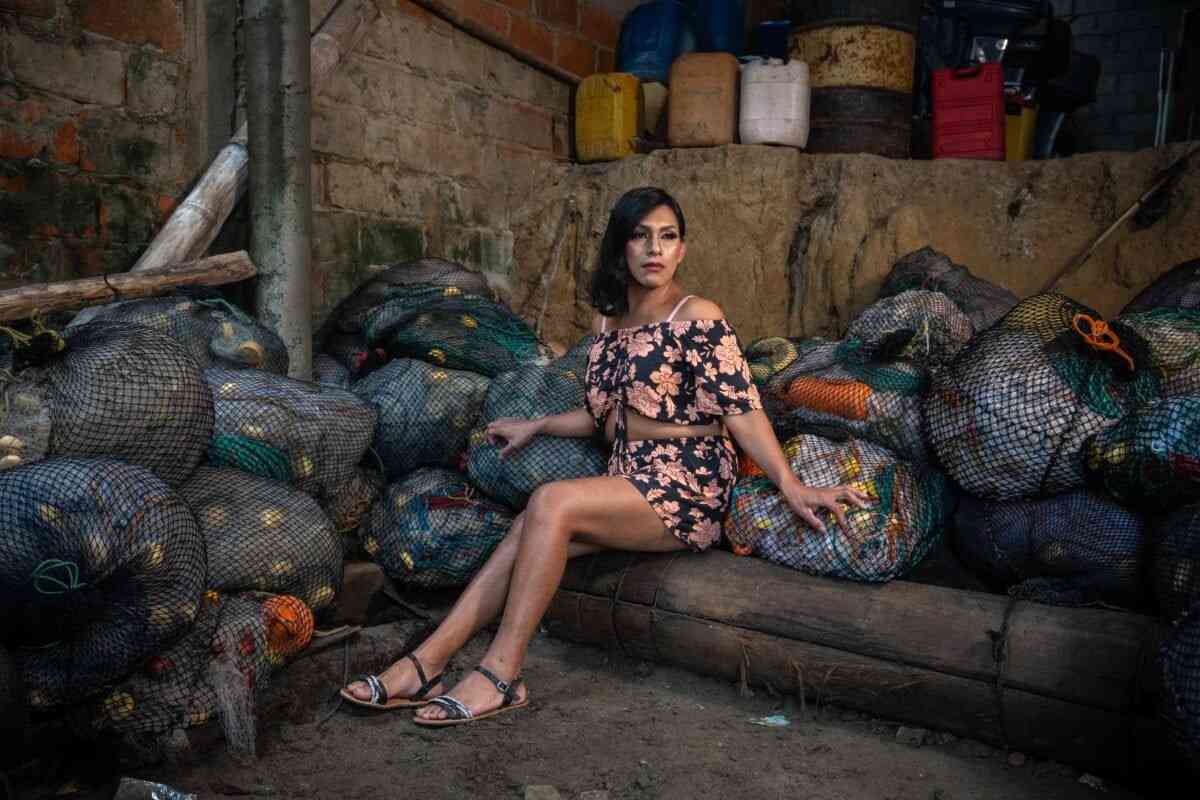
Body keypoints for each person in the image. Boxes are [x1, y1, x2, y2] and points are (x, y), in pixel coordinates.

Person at [340, 186, 872, 726]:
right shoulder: (608, 324)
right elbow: (604, 417)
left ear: (682, 250)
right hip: (628, 478)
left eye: (668, 237)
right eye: (641, 236)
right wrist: (539, 424)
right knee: (526, 527)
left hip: (688, 483)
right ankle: (426, 663)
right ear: (621, 247)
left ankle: (501, 674)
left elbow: (742, 410)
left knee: (550, 502)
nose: (654, 249)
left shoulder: (696, 315)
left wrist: (791, 484)